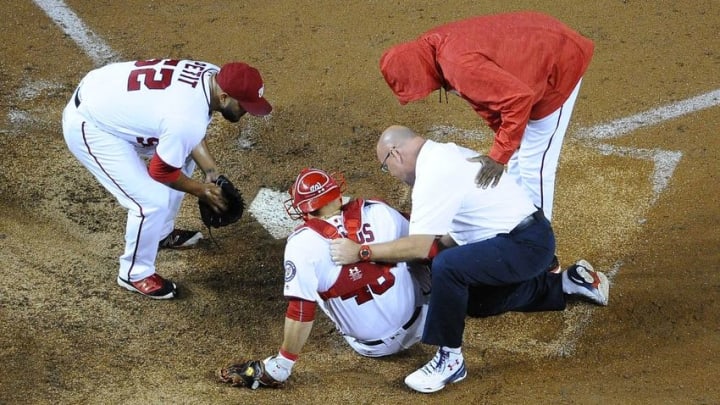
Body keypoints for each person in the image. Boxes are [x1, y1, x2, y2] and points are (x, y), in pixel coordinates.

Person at [330, 125, 609, 393]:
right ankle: (565, 284)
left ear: (396, 153)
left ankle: (450, 360)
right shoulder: (444, 154)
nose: (391, 174)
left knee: (447, 267)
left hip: (526, 245)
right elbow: (452, 234)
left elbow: (419, 246)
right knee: (475, 301)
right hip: (522, 239)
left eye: (385, 166)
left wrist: (361, 252)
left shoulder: (433, 173)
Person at [61, 59, 272, 299]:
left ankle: (160, 233)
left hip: (105, 92)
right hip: (92, 125)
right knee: (151, 201)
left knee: (180, 157)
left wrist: (211, 174)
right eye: (244, 106)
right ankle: (135, 273)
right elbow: (160, 171)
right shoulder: (186, 117)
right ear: (223, 97)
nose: (246, 112)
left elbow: (190, 133)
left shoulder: (213, 76)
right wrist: (201, 190)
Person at [379, 11, 594, 231]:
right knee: (518, 152)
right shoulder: (430, 49)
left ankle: (540, 246)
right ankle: (519, 225)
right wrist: (508, 141)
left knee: (533, 163)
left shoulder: (458, 66)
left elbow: (518, 99)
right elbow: (485, 100)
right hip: (533, 51)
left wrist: (499, 156)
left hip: (558, 61)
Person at [219, 167, 430, 387]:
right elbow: (429, 245)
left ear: (303, 210)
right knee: (415, 250)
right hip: (425, 321)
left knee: (307, 282)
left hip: (373, 347)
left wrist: (282, 363)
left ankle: (280, 368)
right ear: (339, 196)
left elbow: (301, 310)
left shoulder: (301, 244)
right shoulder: (379, 211)